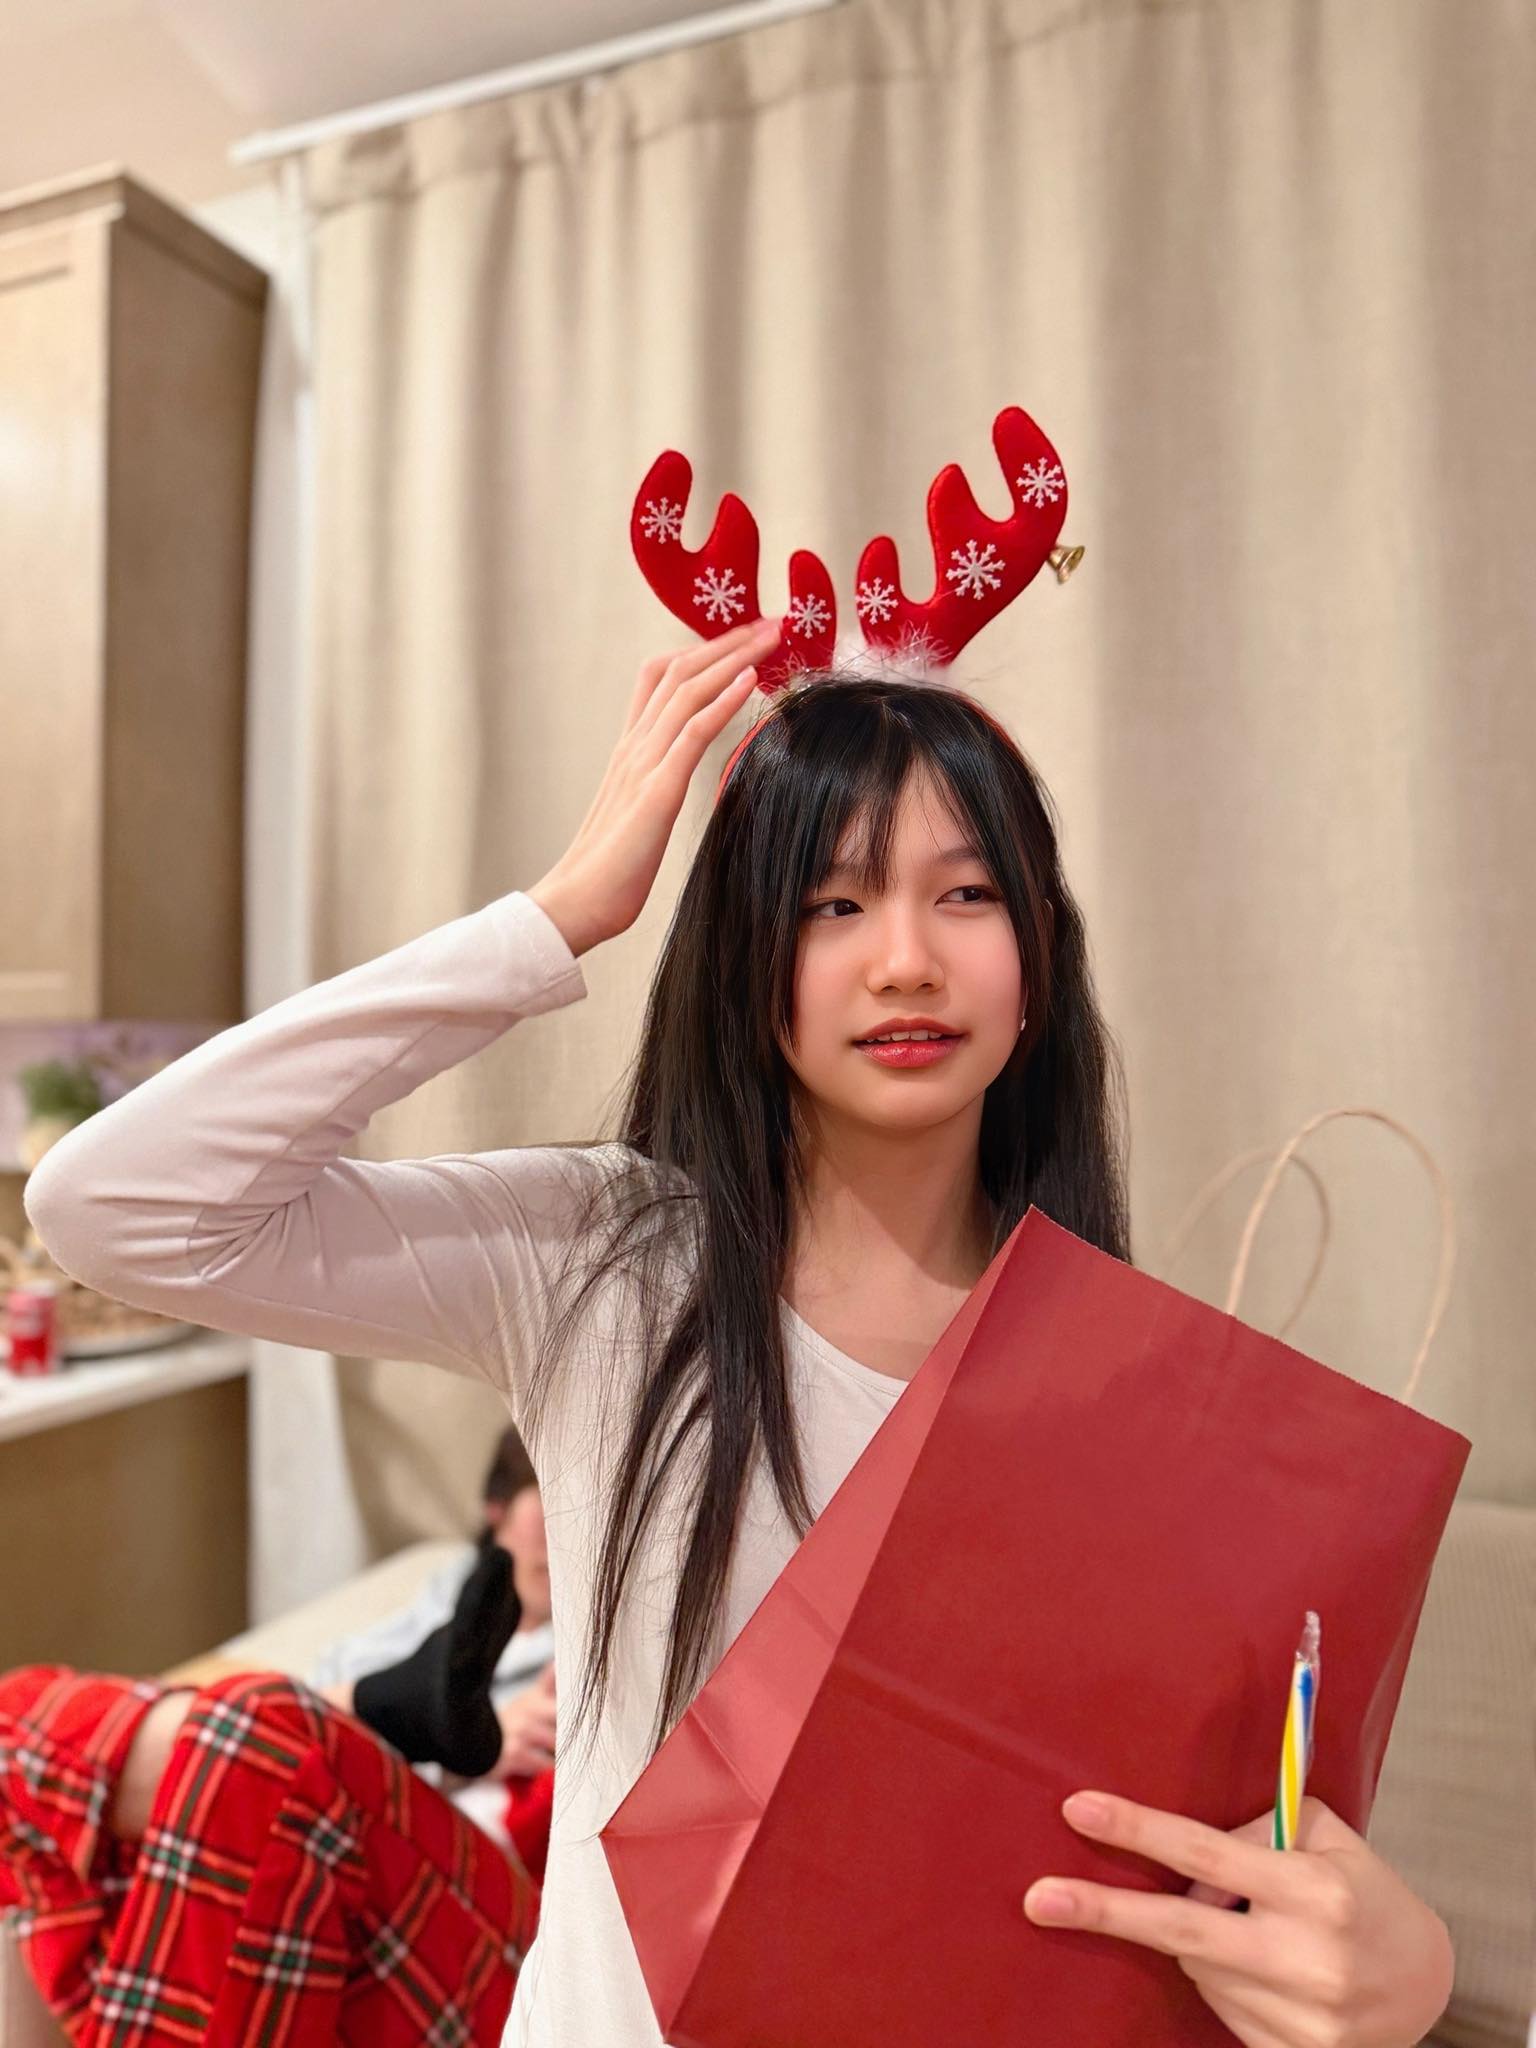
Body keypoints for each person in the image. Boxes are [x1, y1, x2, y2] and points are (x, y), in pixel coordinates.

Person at [22, 615, 1456, 2048]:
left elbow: (1169, 1869)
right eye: (833, 904)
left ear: (1038, 950)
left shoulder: (1123, 1387)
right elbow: (117, 1205)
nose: (906, 960)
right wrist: (556, 918)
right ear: (744, 956)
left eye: (966, 895)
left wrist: (1405, 1981)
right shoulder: (603, 1265)